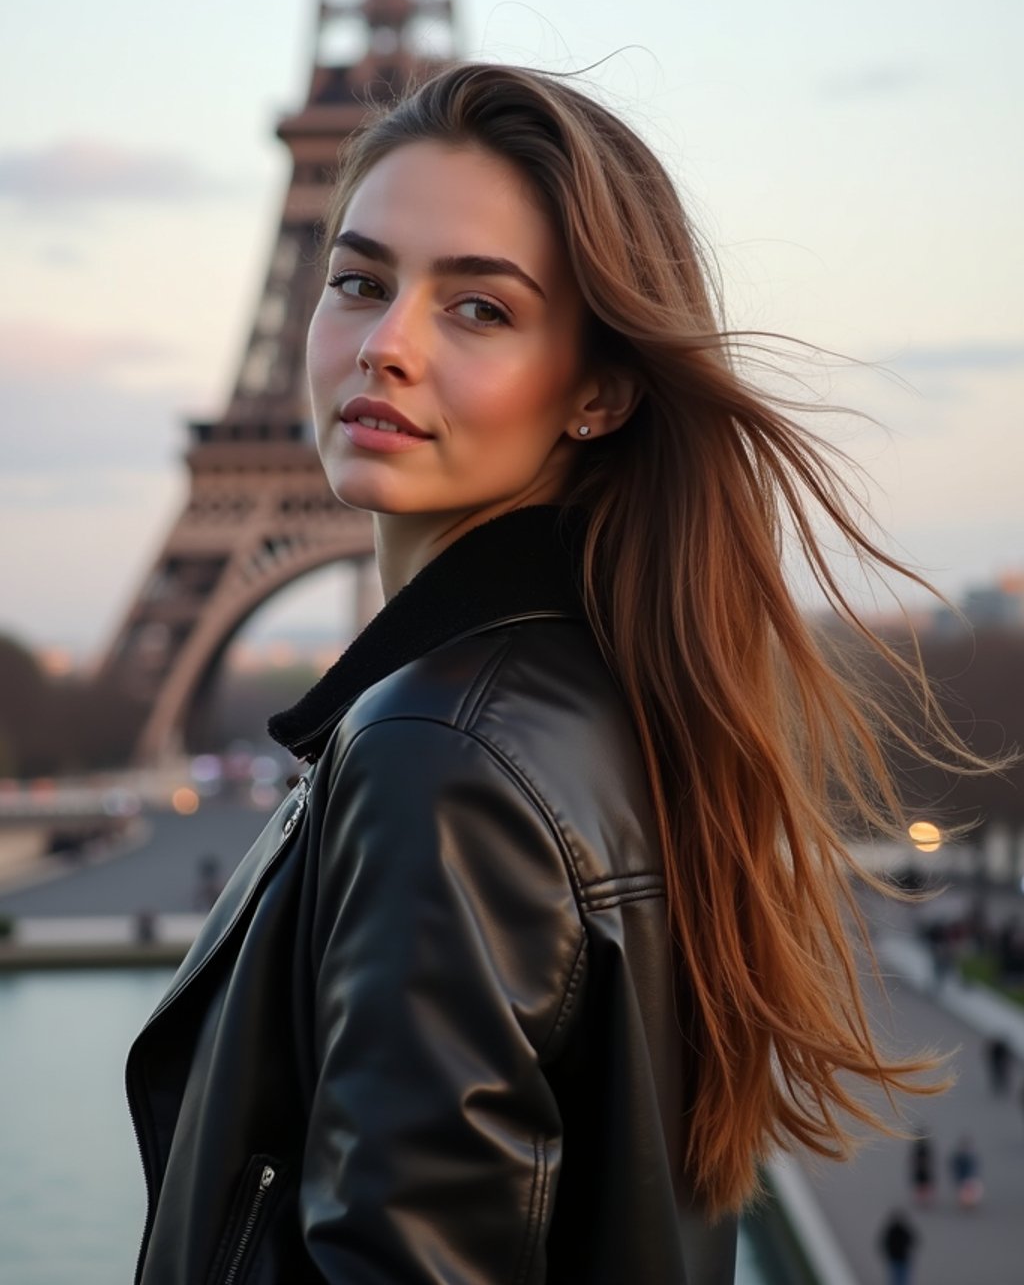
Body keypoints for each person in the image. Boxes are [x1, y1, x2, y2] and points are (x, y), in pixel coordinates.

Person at [125, 62, 993, 1283]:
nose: (384, 345)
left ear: (596, 389)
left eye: (477, 308)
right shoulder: (600, 701)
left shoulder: (438, 754)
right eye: (359, 282)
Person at [877, 1210, 919, 1285]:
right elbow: (913, 1241)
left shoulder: (893, 1231)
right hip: (900, 1258)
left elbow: (884, 1243)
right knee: (900, 1278)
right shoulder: (900, 1230)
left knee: (896, 1278)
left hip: (897, 1258)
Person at [949, 1135, 983, 1208]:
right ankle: (966, 1205)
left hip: (969, 1177)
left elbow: (974, 1166)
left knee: (970, 1194)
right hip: (962, 1177)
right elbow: (955, 1167)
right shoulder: (959, 1156)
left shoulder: (970, 1155)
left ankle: (969, 1204)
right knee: (964, 1194)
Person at [908, 1130, 935, 1205]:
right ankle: (923, 1200)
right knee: (922, 1185)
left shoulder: (920, 1148)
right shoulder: (922, 1149)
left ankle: (923, 1200)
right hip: (922, 1171)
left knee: (923, 1185)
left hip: (923, 1171)